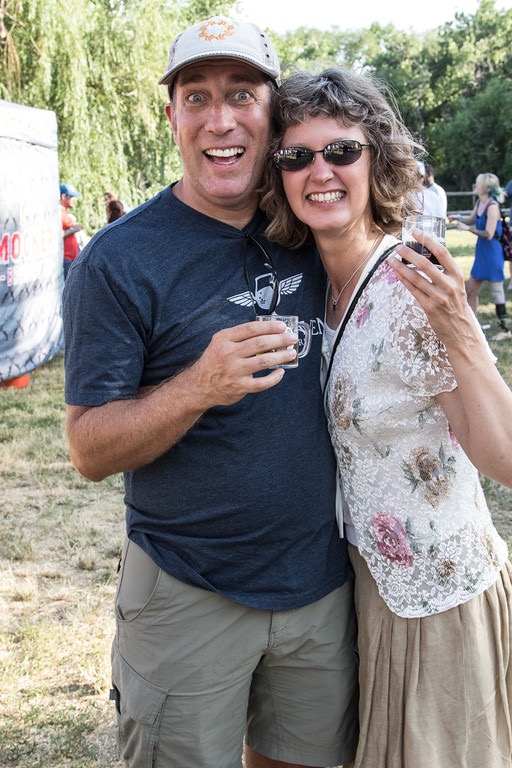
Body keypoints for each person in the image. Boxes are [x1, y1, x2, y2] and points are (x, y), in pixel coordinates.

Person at [63, 17, 358, 768]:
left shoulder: (311, 225)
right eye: (196, 97)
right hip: (187, 589)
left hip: (320, 585)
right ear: (172, 118)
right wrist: (198, 386)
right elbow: (89, 450)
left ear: (274, 114)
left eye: (241, 95)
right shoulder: (119, 259)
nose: (219, 120)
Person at [263, 66, 512, 768]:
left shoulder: (410, 285)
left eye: (342, 150)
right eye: (298, 155)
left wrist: (464, 332)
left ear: (376, 159)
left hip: (438, 599)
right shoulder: (310, 285)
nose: (320, 171)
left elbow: (504, 456)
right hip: (361, 589)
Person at [449, 173, 510, 338]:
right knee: (471, 291)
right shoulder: (480, 203)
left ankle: (505, 330)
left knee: (497, 292)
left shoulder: (492, 207)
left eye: (478, 184)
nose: (475, 186)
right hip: (482, 252)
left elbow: (488, 234)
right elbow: (471, 219)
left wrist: (468, 229)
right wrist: (458, 218)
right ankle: (472, 326)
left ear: (486, 188)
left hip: (492, 253)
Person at [59, 182, 83, 278]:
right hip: (65, 258)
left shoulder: (64, 211)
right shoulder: (59, 212)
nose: (74, 200)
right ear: (64, 196)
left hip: (71, 258)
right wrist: (73, 229)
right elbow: (57, 235)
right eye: (72, 197)